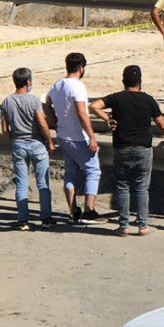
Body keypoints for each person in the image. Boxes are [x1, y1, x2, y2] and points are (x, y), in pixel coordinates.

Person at [90, 65, 164, 236]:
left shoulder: (116, 98)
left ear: (123, 82)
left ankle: (123, 226)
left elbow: (94, 106)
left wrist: (107, 118)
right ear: (140, 82)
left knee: (122, 187)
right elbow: (162, 124)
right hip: (143, 149)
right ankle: (143, 225)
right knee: (141, 188)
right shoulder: (148, 100)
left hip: (122, 148)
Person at [44, 52, 105, 225]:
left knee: (70, 173)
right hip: (78, 137)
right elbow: (81, 112)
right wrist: (92, 137)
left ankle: (74, 211)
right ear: (81, 68)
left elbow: (45, 103)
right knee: (93, 171)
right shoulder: (77, 86)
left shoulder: (57, 85)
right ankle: (89, 211)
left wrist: (54, 123)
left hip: (63, 136)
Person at [0, 68, 57, 230]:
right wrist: (50, 141)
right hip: (36, 143)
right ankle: (46, 218)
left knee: (22, 183)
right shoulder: (33, 101)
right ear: (28, 82)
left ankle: (22, 220)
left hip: (18, 143)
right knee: (42, 182)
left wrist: (13, 141)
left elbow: (5, 130)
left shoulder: (6, 102)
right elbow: (42, 123)